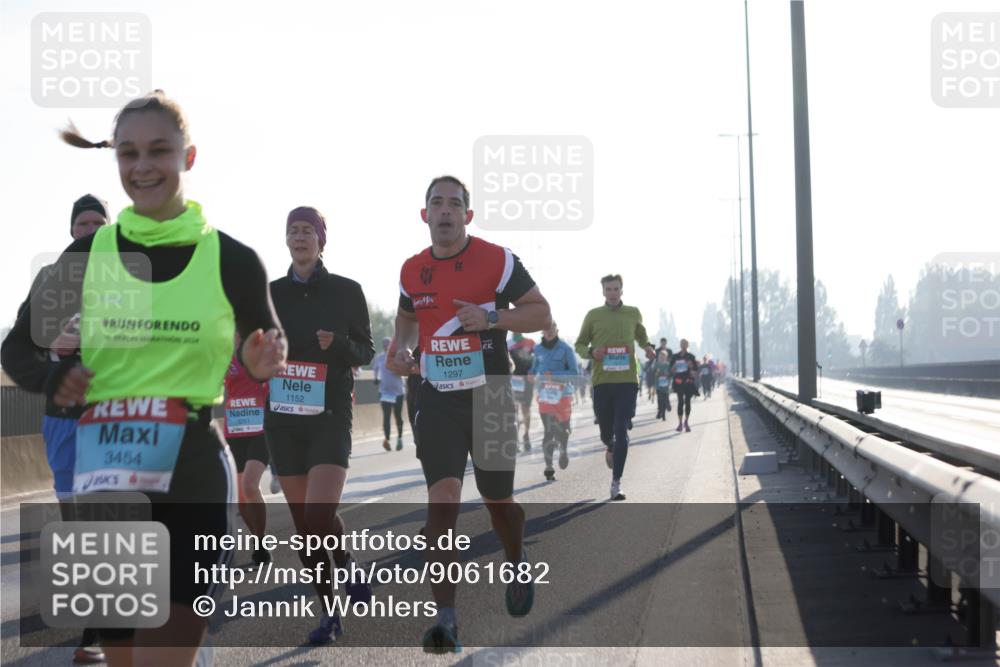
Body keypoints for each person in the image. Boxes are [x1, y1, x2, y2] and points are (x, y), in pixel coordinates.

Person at [1, 90, 287, 667]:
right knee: (126, 657)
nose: (142, 165)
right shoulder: (85, 255)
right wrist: (56, 378)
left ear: (189, 156)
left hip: (193, 465)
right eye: (128, 153)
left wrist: (262, 362)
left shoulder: (233, 259)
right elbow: (17, 349)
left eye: (159, 150)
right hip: (108, 469)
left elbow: (268, 345)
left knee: (168, 657)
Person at [387, 175, 551, 653]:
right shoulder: (411, 270)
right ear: (424, 215)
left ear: (467, 215)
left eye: (454, 204)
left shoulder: (497, 260)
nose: (444, 211)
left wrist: (493, 318)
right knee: (443, 501)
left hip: (492, 394)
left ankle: (516, 557)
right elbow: (406, 320)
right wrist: (402, 352)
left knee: (498, 500)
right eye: (436, 203)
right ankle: (447, 619)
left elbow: (540, 314)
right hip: (436, 395)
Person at [265, 205, 376, 644]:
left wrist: (341, 344)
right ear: (286, 240)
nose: (300, 236)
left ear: (321, 239)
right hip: (283, 420)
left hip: (329, 416)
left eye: (307, 229)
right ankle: (331, 612)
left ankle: (344, 568)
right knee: (306, 528)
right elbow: (250, 352)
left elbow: (366, 353)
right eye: (293, 229)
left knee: (317, 516)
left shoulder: (347, 291)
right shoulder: (269, 293)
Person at [11, 194, 109, 665]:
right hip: (62, 418)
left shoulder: (131, 277)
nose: (89, 229)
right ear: (72, 230)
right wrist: (52, 344)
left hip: (115, 415)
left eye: (98, 222)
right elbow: (17, 344)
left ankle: (98, 629)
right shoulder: (53, 280)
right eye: (82, 222)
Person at [574, 274, 654, 501]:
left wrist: (648, 347)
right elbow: (579, 344)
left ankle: (616, 483)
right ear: (603, 292)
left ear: (622, 290)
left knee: (621, 429)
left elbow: (641, 336)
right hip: (602, 382)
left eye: (616, 288)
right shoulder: (593, 315)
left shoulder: (633, 312)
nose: (612, 293)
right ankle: (610, 444)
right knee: (607, 432)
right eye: (608, 289)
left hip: (627, 381)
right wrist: (591, 352)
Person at [223, 337, 271, 566]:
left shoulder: (262, 354)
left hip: (260, 430)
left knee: (250, 485)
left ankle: (261, 540)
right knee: (241, 495)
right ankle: (258, 539)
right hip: (234, 431)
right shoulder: (224, 356)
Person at [530, 321, 578, 481]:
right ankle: (549, 467)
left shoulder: (566, 349)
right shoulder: (537, 349)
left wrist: (555, 375)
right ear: (542, 331)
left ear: (557, 330)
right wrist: (530, 374)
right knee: (548, 431)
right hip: (545, 396)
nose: (549, 331)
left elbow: (574, 373)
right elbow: (534, 368)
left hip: (563, 396)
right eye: (546, 329)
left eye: (552, 329)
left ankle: (563, 449)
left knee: (562, 430)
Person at [372, 336, 406, 450]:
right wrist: (375, 378)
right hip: (385, 392)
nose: (386, 346)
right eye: (385, 344)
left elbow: (405, 370)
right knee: (386, 416)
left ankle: (400, 439)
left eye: (388, 344)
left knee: (398, 416)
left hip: (398, 392)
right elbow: (375, 370)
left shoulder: (398, 356)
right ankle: (387, 439)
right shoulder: (379, 358)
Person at [509, 333, 535, 452]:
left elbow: (537, 358)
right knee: (514, 409)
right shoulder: (508, 343)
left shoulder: (530, 342)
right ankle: (515, 439)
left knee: (525, 409)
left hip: (528, 380)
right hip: (515, 380)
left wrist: (533, 371)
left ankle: (526, 435)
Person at [670, 339, 700, 432]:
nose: (683, 346)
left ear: (688, 345)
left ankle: (686, 422)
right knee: (680, 402)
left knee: (687, 402)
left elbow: (696, 373)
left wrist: (691, 367)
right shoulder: (675, 357)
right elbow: (671, 370)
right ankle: (680, 423)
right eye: (682, 344)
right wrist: (674, 367)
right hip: (679, 382)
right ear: (680, 345)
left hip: (688, 382)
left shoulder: (691, 357)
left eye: (685, 344)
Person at [654, 349, 672, 421]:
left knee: (665, 399)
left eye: (663, 356)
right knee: (660, 400)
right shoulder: (656, 364)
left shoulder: (668, 365)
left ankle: (666, 408)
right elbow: (653, 373)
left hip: (666, 385)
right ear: (658, 357)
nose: (662, 357)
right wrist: (656, 373)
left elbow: (671, 374)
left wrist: (668, 375)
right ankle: (661, 413)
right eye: (660, 356)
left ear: (666, 357)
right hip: (658, 385)